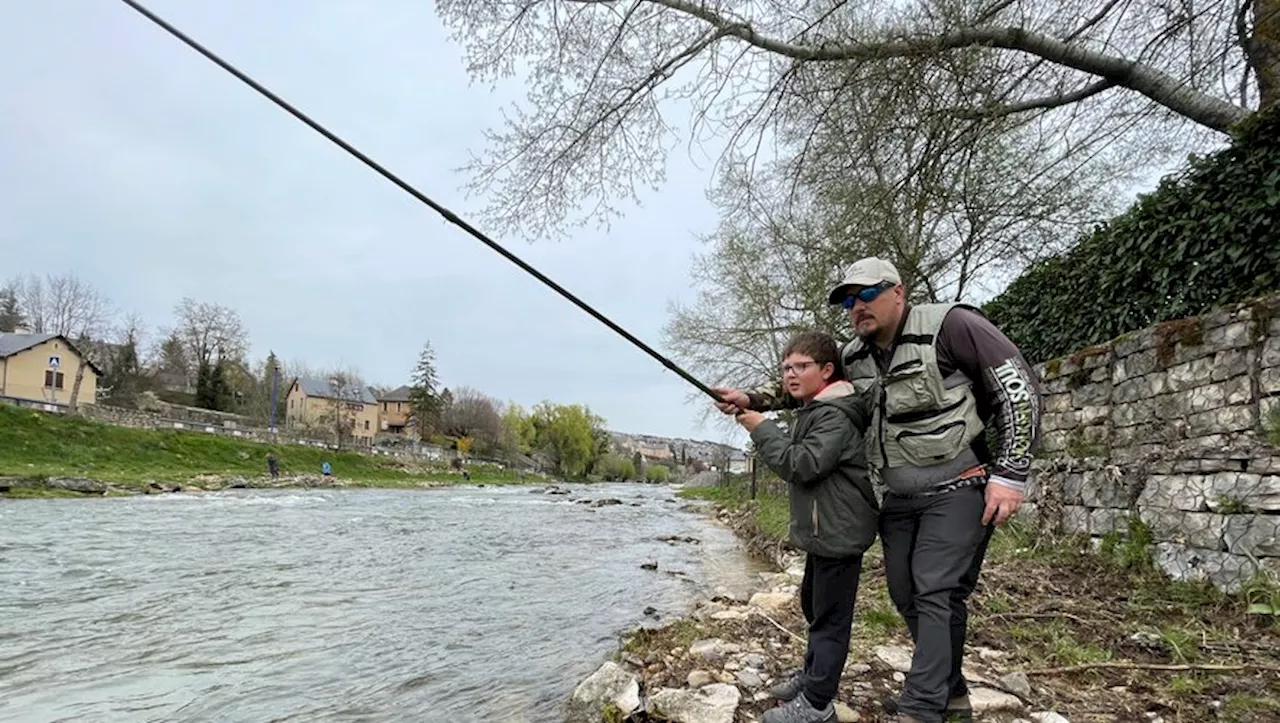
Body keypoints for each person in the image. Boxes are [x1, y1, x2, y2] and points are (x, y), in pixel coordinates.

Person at [715, 257, 1043, 723]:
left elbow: (1018, 389)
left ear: (899, 292)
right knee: (906, 594)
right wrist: (753, 401)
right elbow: (807, 385)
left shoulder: (954, 325)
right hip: (898, 498)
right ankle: (951, 695)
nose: (858, 306)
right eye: (849, 300)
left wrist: (1010, 475)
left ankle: (921, 708)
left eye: (868, 294)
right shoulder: (854, 354)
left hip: (960, 486)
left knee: (935, 591)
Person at [732, 330, 879, 723]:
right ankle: (814, 676)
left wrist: (760, 428)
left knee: (830, 619)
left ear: (827, 370)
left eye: (801, 366)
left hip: (840, 531)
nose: (791, 375)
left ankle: (818, 704)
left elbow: (802, 464)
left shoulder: (834, 413)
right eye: (786, 368)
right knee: (813, 605)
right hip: (825, 531)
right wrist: (751, 407)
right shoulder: (816, 408)